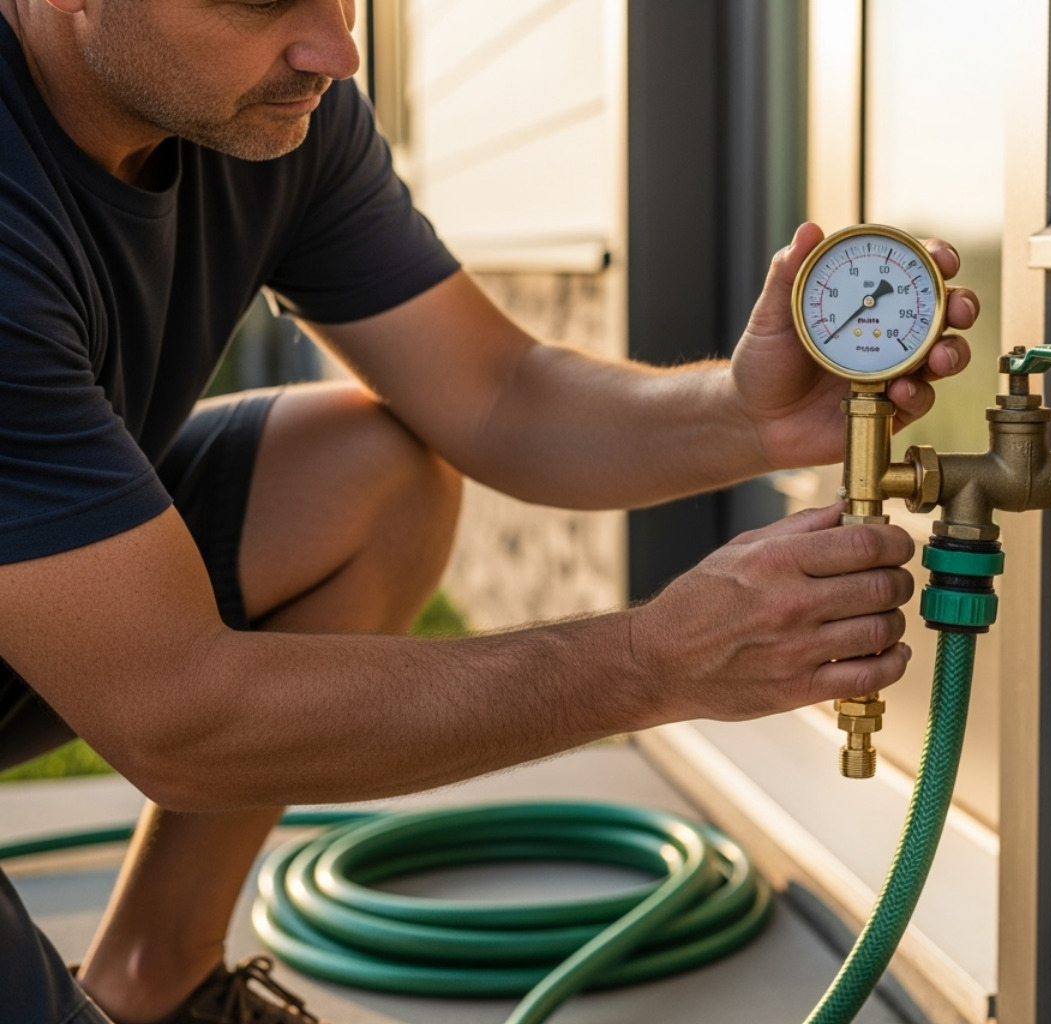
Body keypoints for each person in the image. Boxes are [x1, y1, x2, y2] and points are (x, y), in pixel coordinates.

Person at [0, 1, 981, 1022]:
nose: (335, 50)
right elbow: (178, 718)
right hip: (121, 674)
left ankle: (159, 984)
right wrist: (653, 660)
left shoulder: (273, 107)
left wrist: (745, 416)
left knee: (371, 475)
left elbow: (496, 392)